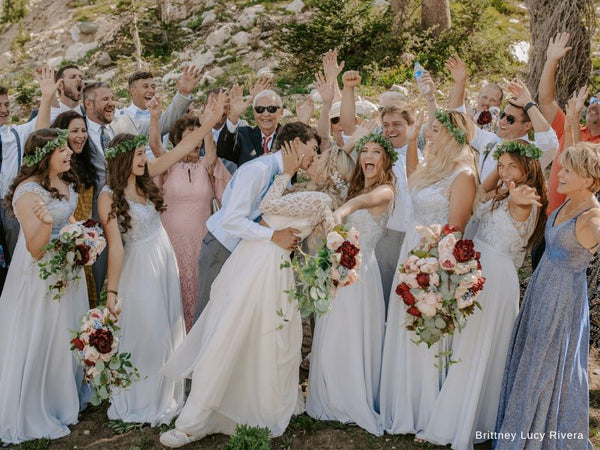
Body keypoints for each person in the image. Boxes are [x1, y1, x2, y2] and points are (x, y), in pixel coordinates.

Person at [158, 144, 354, 448]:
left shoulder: (318, 198)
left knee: (231, 332)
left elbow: (266, 209)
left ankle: (197, 420)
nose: (311, 160)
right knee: (237, 331)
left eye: (319, 159)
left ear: (330, 172)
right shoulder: (309, 193)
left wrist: (285, 173)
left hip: (263, 265)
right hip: (259, 259)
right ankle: (222, 406)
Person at [97, 93, 226, 426]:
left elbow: (183, 149)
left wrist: (210, 123)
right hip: (139, 268)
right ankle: (141, 396)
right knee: (145, 330)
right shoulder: (108, 196)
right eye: (139, 155)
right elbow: (116, 246)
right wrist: (111, 294)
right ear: (123, 159)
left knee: (169, 328)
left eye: (143, 154)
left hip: (164, 260)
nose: (144, 160)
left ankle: (167, 393)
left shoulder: (147, 176)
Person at [417, 140, 547, 448]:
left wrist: (517, 187)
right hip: (479, 268)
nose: (504, 172)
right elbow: (481, 191)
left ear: (528, 168)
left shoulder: (524, 198)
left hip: (497, 277)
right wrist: (503, 171)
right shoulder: (504, 191)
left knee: (475, 345)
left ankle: (457, 422)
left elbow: (521, 198)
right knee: (467, 341)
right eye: (500, 165)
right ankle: (467, 416)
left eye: (512, 166)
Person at [494, 142, 600, 449]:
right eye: (562, 167)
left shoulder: (592, 218)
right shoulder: (567, 204)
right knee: (531, 361)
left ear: (590, 179)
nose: (560, 174)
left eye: (569, 170)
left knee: (548, 370)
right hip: (541, 292)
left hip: (562, 301)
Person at [380, 109, 478, 437]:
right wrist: (413, 138)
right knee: (404, 323)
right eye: (429, 131)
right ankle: (400, 400)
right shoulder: (432, 168)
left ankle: (422, 406)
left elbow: (456, 228)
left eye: (435, 131)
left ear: (451, 135)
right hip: (412, 248)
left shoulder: (463, 175)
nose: (429, 137)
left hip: (434, 258)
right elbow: (412, 178)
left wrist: (429, 258)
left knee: (425, 326)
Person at [0, 128, 88, 445]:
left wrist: (85, 238)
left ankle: (63, 397)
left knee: (65, 334)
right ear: (43, 156)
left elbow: (71, 222)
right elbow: (36, 249)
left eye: (68, 148)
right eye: (61, 149)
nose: (68, 153)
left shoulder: (65, 182)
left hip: (69, 270)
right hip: (41, 276)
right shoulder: (27, 192)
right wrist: (51, 225)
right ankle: (40, 404)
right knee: (42, 335)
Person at [306, 132, 396, 436]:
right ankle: (329, 394)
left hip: (361, 273)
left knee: (351, 332)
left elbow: (359, 203)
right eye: (364, 151)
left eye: (375, 152)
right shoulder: (357, 185)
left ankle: (349, 397)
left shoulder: (385, 191)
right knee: (333, 328)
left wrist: (341, 212)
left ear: (385, 160)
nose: (368, 156)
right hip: (341, 267)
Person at [84, 65, 199, 298]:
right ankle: (96, 324)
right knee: (94, 278)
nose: (112, 103)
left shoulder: (125, 124)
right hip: (94, 216)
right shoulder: (76, 131)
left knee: (134, 277)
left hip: (131, 214)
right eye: (105, 99)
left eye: (113, 98)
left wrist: (182, 95)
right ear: (88, 104)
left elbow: (163, 123)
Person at [193, 121, 319, 321]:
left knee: (226, 319)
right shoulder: (259, 169)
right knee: (207, 316)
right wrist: (274, 236)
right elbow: (231, 221)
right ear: (296, 143)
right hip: (221, 247)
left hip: (243, 252)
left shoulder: (282, 175)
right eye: (313, 148)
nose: (315, 155)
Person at [152, 110, 232, 332]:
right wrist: (154, 116)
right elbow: (156, 146)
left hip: (201, 241)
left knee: (199, 286)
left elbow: (213, 154)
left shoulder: (207, 165)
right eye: (190, 135)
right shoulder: (169, 165)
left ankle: (198, 333)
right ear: (178, 140)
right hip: (171, 242)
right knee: (174, 286)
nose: (195, 141)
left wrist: (207, 124)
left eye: (198, 136)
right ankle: (173, 336)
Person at [447, 55, 557, 182]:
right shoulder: (490, 140)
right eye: (502, 115)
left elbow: (550, 144)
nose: (503, 121)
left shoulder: (532, 151)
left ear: (527, 125)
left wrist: (529, 104)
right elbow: (458, 121)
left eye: (510, 119)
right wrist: (460, 82)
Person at [51, 110, 98, 305]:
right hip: (66, 239)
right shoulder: (59, 168)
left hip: (84, 238)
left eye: (84, 130)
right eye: (75, 131)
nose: (81, 136)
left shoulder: (87, 162)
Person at [376, 104, 418, 314]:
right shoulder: (378, 157)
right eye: (385, 125)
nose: (390, 130)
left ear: (410, 126)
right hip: (387, 235)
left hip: (416, 236)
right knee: (383, 297)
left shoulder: (423, 156)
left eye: (397, 124)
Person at [217, 89, 284, 166]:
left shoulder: (290, 137)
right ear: (254, 112)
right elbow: (223, 152)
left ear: (281, 112)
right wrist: (233, 115)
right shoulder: (244, 135)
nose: (265, 114)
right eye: (260, 109)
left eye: (272, 109)